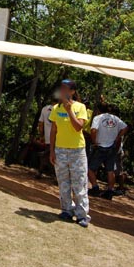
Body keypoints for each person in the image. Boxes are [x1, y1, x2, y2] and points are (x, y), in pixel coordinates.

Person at [49, 79, 90, 227]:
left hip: (77, 151)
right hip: (60, 150)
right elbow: (54, 130)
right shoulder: (55, 109)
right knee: (63, 182)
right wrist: (52, 151)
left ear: (72, 92)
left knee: (79, 183)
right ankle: (66, 210)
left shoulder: (80, 107)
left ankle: (82, 215)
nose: (62, 91)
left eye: (66, 88)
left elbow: (78, 127)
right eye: (61, 88)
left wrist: (69, 110)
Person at [88, 105, 128, 200]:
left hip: (100, 146)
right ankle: (110, 191)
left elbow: (93, 130)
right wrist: (118, 137)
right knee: (110, 170)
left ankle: (95, 187)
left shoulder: (98, 118)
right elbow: (126, 127)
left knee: (90, 169)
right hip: (111, 147)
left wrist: (94, 142)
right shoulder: (115, 119)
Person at [35, 103, 54, 178]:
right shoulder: (62, 108)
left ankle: (40, 171)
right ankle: (54, 175)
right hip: (58, 138)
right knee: (52, 156)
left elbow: (40, 124)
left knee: (47, 154)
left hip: (48, 137)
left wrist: (41, 135)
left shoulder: (45, 109)